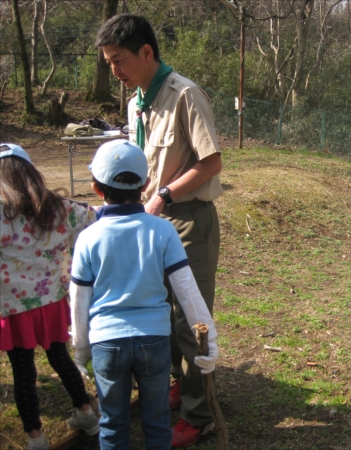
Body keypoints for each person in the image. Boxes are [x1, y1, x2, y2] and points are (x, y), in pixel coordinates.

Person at [94, 14, 223, 447]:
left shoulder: (185, 94)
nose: (115, 71)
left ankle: (198, 413)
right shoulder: (136, 102)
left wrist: (164, 194)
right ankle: (179, 385)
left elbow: (211, 162)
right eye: (109, 62)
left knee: (190, 319)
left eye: (119, 61)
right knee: (161, 313)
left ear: (146, 52)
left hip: (187, 220)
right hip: (150, 221)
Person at [69, 139, 218, 450]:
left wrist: (81, 350)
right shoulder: (163, 231)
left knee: (112, 424)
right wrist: (209, 342)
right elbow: (187, 289)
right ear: (147, 184)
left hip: (106, 344)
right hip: (154, 340)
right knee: (156, 420)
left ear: (97, 189)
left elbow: (79, 300)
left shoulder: (87, 238)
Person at [0, 143, 99, 450]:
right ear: (31, 170)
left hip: (13, 306)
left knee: (23, 373)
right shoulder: (56, 207)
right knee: (60, 357)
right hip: (52, 300)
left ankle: (36, 438)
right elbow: (92, 218)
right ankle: (87, 414)